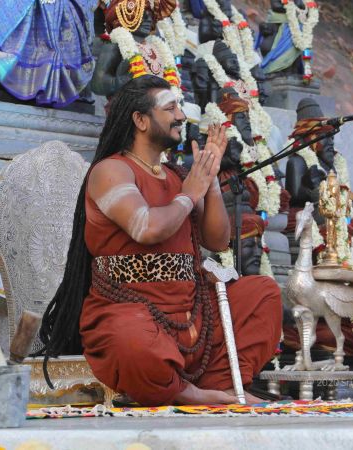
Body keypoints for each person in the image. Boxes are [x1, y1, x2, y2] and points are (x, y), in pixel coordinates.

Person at [39, 75, 282, 406]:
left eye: (179, 108)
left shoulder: (177, 177)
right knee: (129, 338)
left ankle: (221, 387)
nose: (181, 116)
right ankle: (189, 394)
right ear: (140, 120)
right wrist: (190, 194)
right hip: (131, 312)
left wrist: (209, 181)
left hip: (192, 313)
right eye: (170, 109)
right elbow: (146, 228)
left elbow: (218, 240)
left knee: (263, 294)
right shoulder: (112, 171)